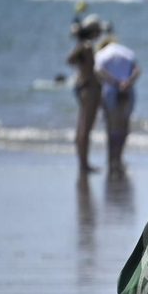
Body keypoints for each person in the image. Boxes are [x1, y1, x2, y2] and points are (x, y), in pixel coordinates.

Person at [94, 28, 140, 172]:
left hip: (110, 91)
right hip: (128, 89)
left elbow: (98, 71)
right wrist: (126, 82)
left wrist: (114, 82)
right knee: (124, 124)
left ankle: (111, 158)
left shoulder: (101, 53)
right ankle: (119, 158)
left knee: (111, 126)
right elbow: (137, 69)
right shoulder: (126, 52)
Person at [66, 14, 104, 175]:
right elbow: (71, 59)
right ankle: (84, 164)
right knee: (85, 128)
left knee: (83, 127)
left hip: (83, 86)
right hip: (89, 88)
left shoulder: (82, 45)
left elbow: (70, 60)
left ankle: (83, 163)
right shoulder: (86, 46)